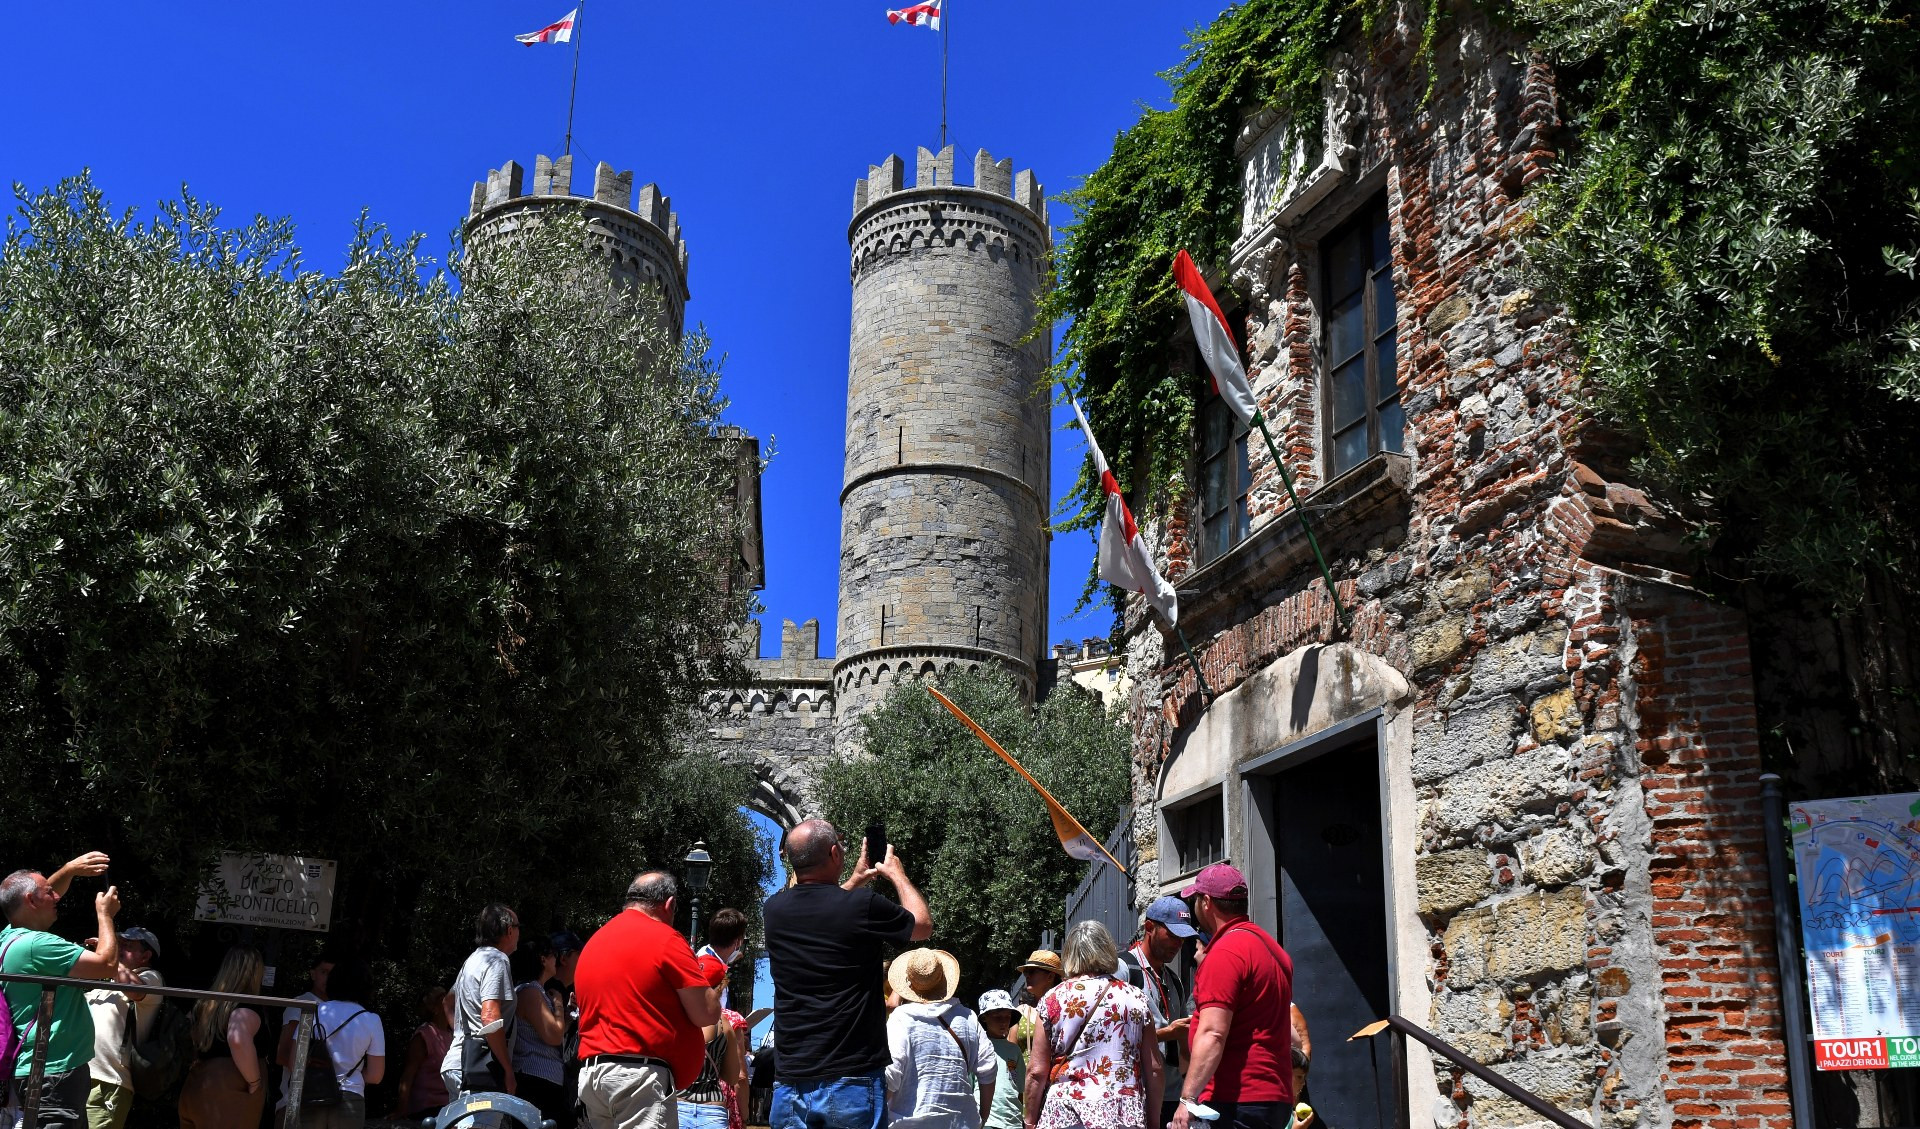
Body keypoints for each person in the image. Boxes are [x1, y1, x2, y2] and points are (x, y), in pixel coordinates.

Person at [762, 819, 931, 1129]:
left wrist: (854, 880)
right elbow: (921, 925)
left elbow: (824, 910)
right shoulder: (862, 906)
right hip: (852, 1077)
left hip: (791, 1081)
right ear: (834, 854)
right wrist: (897, 875)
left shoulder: (774, 911)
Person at [575, 872, 722, 1129]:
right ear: (668, 904)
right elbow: (707, 1013)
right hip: (637, 1079)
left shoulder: (595, 941)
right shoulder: (664, 938)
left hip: (592, 1077)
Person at [1, 852, 121, 1129]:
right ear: (32, 901)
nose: (57, 897)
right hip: (53, 1072)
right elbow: (107, 965)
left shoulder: (9, 937)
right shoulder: (37, 945)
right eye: (49, 893)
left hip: (44, 1069)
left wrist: (69, 870)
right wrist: (105, 915)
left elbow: (26, 898)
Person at [1170, 864, 1294, 1129]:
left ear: (1206, 902)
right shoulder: (1273, 950)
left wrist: (1188, 1099)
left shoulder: (1225, 953)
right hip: (1273, 1097)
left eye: (1194, 900)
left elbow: (1213, 1032)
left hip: (1233, 1102)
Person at [1022, 921, 1161, 1129]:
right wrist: (1154, 1121)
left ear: (1070, 954)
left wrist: (1030, 1121)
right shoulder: (1135, 998)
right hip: (1121, 1114)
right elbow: (1155, 1068)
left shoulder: (1053, 999)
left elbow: (1036, 1071)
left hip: (1065, 1114)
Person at [882, 949, 993, 1129]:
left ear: (908, 984)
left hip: (909, 1123)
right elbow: (988, 1068)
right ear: (944, 979)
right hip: (963, 1122)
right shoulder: (968, 1017)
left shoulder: (902, 1018)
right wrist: (982, 1117)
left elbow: (891, 1075)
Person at [1119, 897, 1197, 1127]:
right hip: (1134, 1092)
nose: (1179, 943)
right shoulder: (1123, 969)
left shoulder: (1174, 981)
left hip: (1170, 1095)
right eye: (1172, 935)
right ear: (1150, 928)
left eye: (1183, 937)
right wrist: (1166, 1033)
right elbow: (1109, 1033)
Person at [178, 947, 269, 1129]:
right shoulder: (246, 1006)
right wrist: (254, 1082)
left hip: (196, 1084)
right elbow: (237, 1039)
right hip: (230, 1090)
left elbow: (186, 1033)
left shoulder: (204, 1005)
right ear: (255, 972)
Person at [84, 926, 165, 1129]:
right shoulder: (107, 980)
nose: (119, 948)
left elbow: (134, 990)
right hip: (77, 1076)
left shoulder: (152, 978)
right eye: (119, 943)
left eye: (127, 945)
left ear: (146, 956)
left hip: (109, 1082)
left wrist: (108, 957)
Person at [289, 960, 384, 1129]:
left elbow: (294, 1062)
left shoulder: (315, 1012)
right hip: (350, 1096)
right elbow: (375, 1076)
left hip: (312, 1094)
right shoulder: (371, 1020)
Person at [442, 904, 520, 1096]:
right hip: (481, 1068)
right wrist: (507, 1069)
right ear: (509, 930)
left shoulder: (473, 960)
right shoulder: (497, 960)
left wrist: (464, 1034)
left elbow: (448, 1002)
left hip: (459, 1062)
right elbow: (490, 1016)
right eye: (518, 926)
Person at [511, 934, 569, 1122]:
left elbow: (554, 1032)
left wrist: (566, 1015)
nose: (557, 960)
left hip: (545, 1079)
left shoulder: (538, 992)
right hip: (535, 1079)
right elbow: (553, 1036)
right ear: (543, 959)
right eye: (553, 955)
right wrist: (559, 1004)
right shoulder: (530, 992)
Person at [275, 952, 336, 1118]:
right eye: (324, 972)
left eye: (333, 973)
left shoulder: (339, 1009)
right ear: (312, 974)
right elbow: (283, 1055)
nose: (328, 978)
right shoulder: (300, 1004)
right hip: (296, 1103)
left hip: (329, 1103)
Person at [394, 987, 454, 1118]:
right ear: (434, 1008)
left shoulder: (452, 1034)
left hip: (449, 1108)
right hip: (428, 1110)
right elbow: (408, 1075)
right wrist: (401, 1110)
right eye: (442, 996)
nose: (449, 997)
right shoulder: (424, 1035)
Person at [974, 992, 1023, 1129]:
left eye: (1007, 1017)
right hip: (987, 1121)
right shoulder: (979, 1047)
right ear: (985, 1018)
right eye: (997, 1017)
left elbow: (1019, 1086)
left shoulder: (1014, 1051)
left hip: (1013, 1120)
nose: (1003, 1021)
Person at [1009, 952, 1060, 1062]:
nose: (1027, 976)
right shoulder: (1020, 1012)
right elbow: (1011, 1054)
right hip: (1023, 1077)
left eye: (1032, 972)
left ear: (1050, 977)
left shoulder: (1064, 1012)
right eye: (1026, 972)